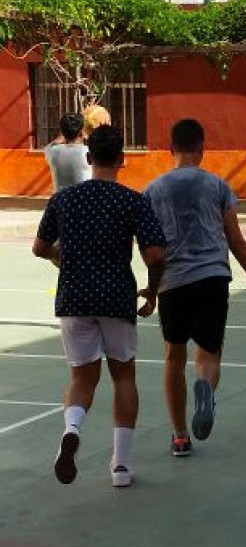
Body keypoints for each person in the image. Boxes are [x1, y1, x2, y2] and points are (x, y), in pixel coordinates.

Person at [143, 118, 246, 458]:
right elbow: (236, 240)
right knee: (207, 355)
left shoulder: (152, 190)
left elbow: (150, 250)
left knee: (173, 357)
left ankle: (179, 436)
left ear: (170, 150)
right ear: (202, 149)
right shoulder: (218, 186)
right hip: (212, 277)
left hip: (172, 280)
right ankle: (205, 388)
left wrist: (151, 289)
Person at [32, 125, 167, 488]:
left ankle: (72, 430)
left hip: (74, 298)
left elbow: (40, 247)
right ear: (122, 160)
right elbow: (155, 254)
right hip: (116, 297)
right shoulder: (131, 200)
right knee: (123, 376)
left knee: (81, 378)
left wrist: (67, 259)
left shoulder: (64, 200)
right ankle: (120, 466)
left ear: (89, 158)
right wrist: (152, 292)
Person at [44, 113, 92, 192]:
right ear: (82, 133)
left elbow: (48, 147)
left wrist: (60, 138)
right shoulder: (88, 152)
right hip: (83, 200)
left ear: (62, 133)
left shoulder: (52, 152)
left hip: (60, 201)